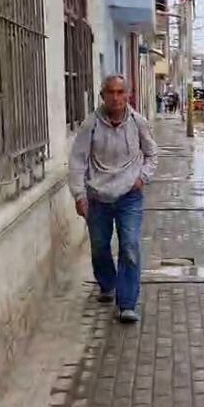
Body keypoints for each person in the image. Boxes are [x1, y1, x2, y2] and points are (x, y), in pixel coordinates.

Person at [69, 75, 159, 322]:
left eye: (121, 92)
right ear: (103, 96)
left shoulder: (138, 123)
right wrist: (78, 194)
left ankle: (127, 303)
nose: (116, 97)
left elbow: (152, 154)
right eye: (111, 92)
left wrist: (142, 178)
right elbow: (77, 161)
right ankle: (107, 283)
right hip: (97, 197)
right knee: (99, 246)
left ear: (127, 95)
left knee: (129, 246)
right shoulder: (91, 125)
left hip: (130, 196)